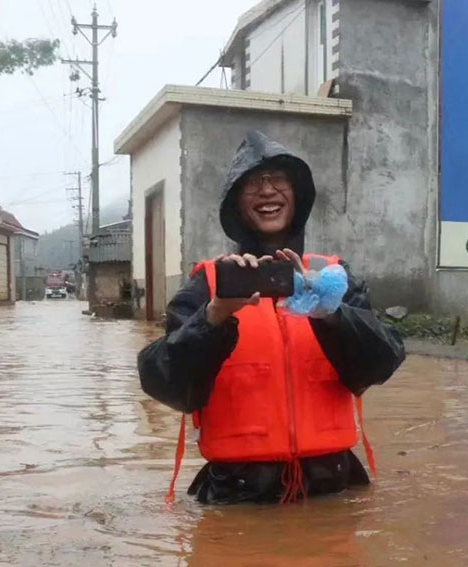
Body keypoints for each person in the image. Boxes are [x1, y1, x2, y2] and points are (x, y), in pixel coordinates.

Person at [137, 130, 405, 504]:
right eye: (252, 184)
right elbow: (165, 384)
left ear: (298, 196)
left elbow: (382, 363)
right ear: (235, 203)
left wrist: (329, 312)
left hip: (331, 486)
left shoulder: (332, 278)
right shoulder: (207, 287)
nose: (266, 192)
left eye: (278, 180)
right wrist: (213, 317)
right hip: (239, 494)